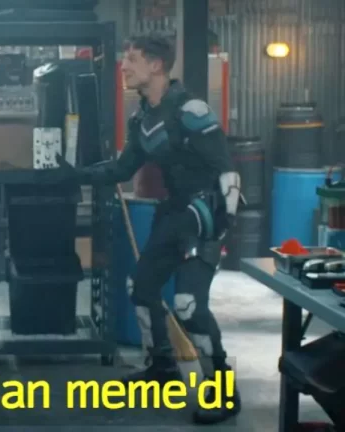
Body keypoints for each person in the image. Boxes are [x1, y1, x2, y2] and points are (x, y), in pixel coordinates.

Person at [61, 34, 242, 424]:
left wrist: (220, 226)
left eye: (132, 59)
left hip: (203, 215)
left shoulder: (190, 111)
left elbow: (227, 170)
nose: (124, 66)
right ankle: (162, 368)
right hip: (173, 212)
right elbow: (122, 169)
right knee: (141, 289)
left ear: (156, 65)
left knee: (188, 305)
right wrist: (75, 175)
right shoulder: (143, 118)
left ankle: (224, 391)